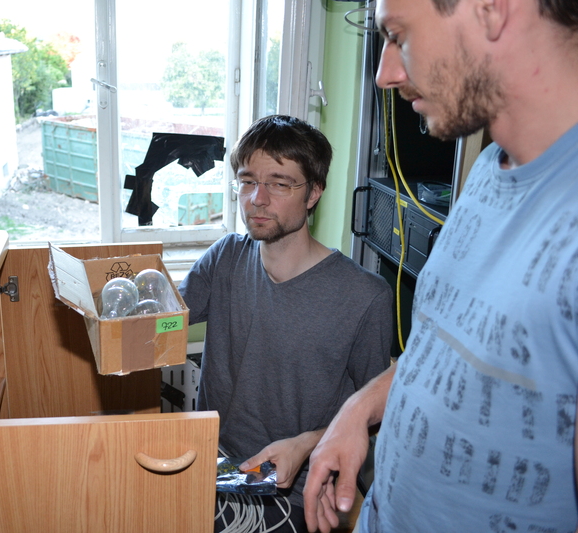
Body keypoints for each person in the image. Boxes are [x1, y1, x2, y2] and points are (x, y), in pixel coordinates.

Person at [303, 0, 578, 531]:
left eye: (399, 35)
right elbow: (450, 348)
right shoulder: (488, 171)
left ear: (492, 9)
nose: (385, 74)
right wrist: (359, 408)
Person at [178, 115, 394, 532]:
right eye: (247, 181)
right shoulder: (225, 257)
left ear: (313, 192)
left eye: (280, 184)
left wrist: (307, 444)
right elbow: (164, 325)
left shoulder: (365, 296)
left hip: (293, 485)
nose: (257, 199)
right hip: (212, 465)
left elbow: (375, 415)